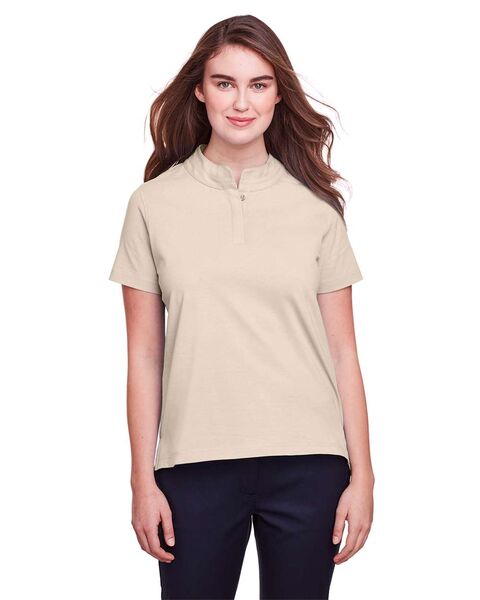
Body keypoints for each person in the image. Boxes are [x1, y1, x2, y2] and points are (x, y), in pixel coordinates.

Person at [109, 14, 374, 600]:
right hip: (193, 466)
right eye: (224, 83)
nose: (241, 102)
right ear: (200, 91)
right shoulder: (152, 206)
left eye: (258, 84)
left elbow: (343, 353)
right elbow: (144, 355)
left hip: (309, 463)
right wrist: (141, 480)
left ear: (279, 94)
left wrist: (365, 477)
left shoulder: (317, 211)